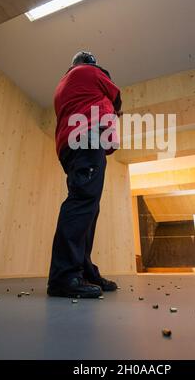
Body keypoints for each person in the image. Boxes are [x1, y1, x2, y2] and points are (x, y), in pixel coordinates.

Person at [47, 51, 122, 298]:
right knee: (82, 203)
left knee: (88, 205)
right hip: (87, 137)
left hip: (73, 143)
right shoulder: (87, 72)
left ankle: (84, 270)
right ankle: (65, 276)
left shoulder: (65, 83)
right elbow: (116, 95)